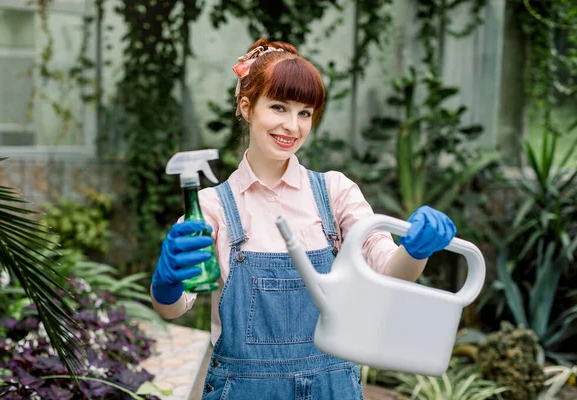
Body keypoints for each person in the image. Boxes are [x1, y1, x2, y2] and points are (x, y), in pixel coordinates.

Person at [150, 38, 457, 400]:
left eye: (305, 113)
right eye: (278, 107)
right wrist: (167, 282)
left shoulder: (335, 193)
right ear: (247, 108)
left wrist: (416, 249)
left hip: (333, 387)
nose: (292, 126)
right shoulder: (212, 207)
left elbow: (390, 270)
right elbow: (172, 309)